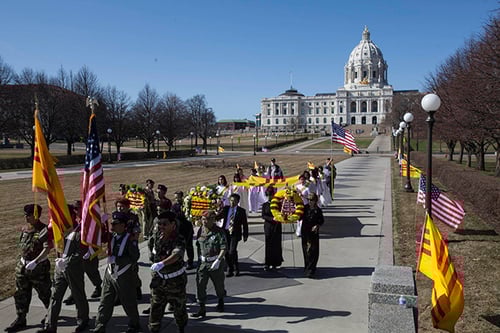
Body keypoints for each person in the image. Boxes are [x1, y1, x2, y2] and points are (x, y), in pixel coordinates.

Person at [38, 205, 89, 333]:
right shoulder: (56, 230)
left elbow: (81, 252)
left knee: (78, 296)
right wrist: (50, 224)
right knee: (55, 297)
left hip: (74, 270)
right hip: (59, 270)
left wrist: (67, 261)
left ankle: (83, 320)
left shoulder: (79, 232)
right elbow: (42, 237)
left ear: (72, 216)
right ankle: (50, 326)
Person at [92, 211, 141, 333]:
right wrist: (100, 223)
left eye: (116, 223)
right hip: (110, 273)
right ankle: (100, 325)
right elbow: (97, 236)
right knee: (105, 301)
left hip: (124, 274)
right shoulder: (111, 236)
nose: (112, 225)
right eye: (112, 223)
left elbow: (134, 257)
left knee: (128, 301)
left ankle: (134, 324)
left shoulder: (130, 239)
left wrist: (117, 259)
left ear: (123, 225)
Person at [5, 204, 52, 333]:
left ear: (36, 215)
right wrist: (22, 261)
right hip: (23, 267)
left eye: (29, 215)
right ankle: (21, 318)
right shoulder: (25, 229)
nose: (26, 217)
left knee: (45, 294)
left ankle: (51, 316)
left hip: (38, 268)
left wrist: (36, 262)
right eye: (25, 215)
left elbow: (47, 248)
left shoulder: (43, 230)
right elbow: (23, 246)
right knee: (20, 294)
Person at [148, 212, 188, 333]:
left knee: (179, 310)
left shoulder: (178, 239)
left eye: (164, 224)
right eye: (159, 224)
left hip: (175, 282)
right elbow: (151, 249)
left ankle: (181, 328)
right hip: (159, 281)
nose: (161, 226)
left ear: (173, 224)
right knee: (155, 309)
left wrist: (162, 263)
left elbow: (176, 254)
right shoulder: (156, 237)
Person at [65, 201, 102, 305]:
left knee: (92, 271)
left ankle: (98, 286)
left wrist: (91, 250)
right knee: (76, 276)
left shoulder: (89, 221)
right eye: (75, 209)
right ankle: (74, 294)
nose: (76, 211)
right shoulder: (77, 222)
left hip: (87, 251)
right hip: (77, 253)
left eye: (78, 208)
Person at [191, 211, 227, 318]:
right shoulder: (200, 230)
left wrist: (218, 260)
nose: (204, 221)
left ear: (213, 220)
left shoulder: (219, 232)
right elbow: (198, 246)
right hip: (202, 263)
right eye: (202, 219)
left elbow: (224, 247)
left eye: (206, 219)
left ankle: (220, 300)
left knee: (219, 285)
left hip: (215, 263)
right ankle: (202, 308)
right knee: (200, 285)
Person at [115, 198, 143, 301]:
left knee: (132, 269)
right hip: (118, 246)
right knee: (117, 270)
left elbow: (136, 231)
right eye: (118, 206)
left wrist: (133, 242)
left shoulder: (133, 217)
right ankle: (119, 294)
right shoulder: (115, 216)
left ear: (128, 207)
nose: (120, 208)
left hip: (129, 245)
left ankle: (136, 288)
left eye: (122, 206)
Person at [216, 193, 248, 277]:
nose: (232, 203)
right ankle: (230, 268)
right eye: (231, 200)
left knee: (232, 251)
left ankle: (236, 268)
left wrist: (245, 235)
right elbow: (218, 217)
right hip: (225, 232)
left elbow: (245, 224)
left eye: (234, 201)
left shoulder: (241, 211)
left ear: (238, 202)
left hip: (235, 233)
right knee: (226, 251)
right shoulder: (226, 209)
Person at [300, 193, 324, 278]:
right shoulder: (305, 208)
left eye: (312, 200)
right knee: (306, 250)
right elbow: (299, 216)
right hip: (305, 232)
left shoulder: (318, 210)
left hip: (313, 233)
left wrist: (317, 225)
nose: (310, 201)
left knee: (313, 251)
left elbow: (321, 220)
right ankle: (307, 267)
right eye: (309, 200)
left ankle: (312, 269)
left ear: (315, 201)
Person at [171, 191, 195, 269]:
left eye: (178, 197)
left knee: (189, 246)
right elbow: (175, 216)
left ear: (181, 197)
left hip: (188, 228)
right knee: (180, 246)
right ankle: (180, 261)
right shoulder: (174, 206)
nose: (176, 199)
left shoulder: (187, 203)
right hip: (179, 229)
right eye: (175, 197)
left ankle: (190, 262)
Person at [261, 187, 283, 271]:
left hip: (277, 226)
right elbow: (263, 215)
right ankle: (267, 262)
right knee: (268, 244)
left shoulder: (278, 204)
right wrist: (271, 219)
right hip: (268, 226)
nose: (270, 196)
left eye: (271, 195)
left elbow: (282, 212)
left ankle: (276, 262)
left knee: (276, 244)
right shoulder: (265, 205)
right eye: (268, 195)